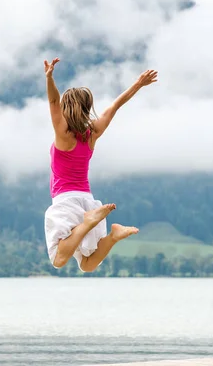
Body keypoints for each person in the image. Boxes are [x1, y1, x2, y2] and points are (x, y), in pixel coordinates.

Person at [43, 57, 158, 272]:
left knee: (58, 260)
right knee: (87, 265)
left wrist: (49, 78)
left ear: (66, 107)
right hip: (87, 201)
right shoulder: (92, 134)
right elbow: (114, 106)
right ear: (87, 108)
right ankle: (113, 236)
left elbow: (52, 102)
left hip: (66, 201)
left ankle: (88, 223)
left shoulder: (63, 135)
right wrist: (138, 84)